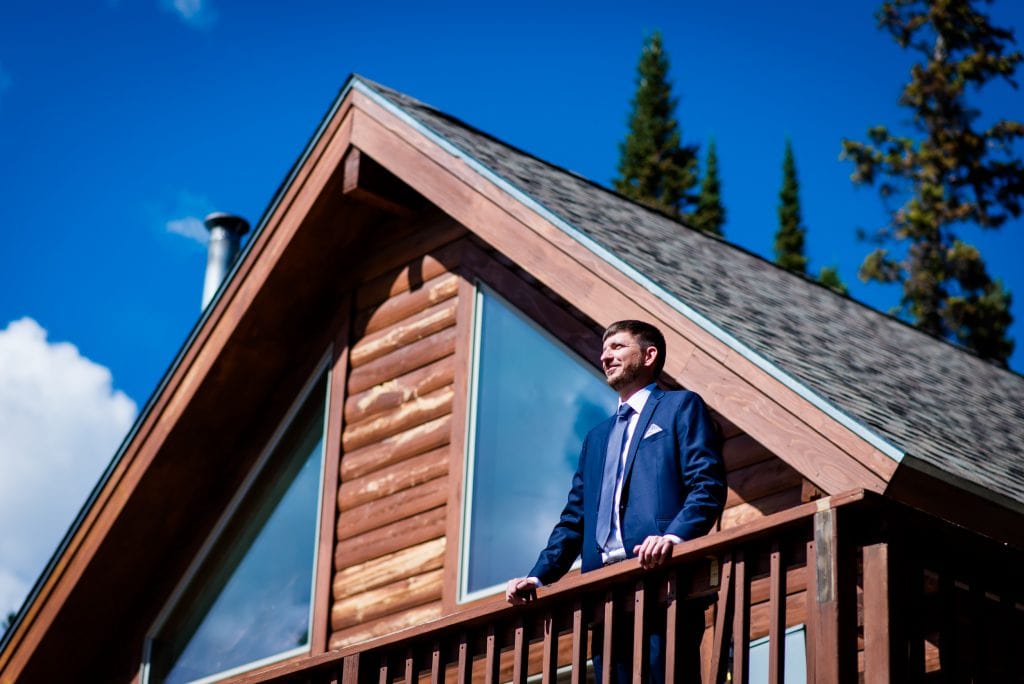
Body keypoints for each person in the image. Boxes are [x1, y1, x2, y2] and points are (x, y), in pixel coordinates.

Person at [505, 320, 726, 683]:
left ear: (649, 355)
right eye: (604, 349)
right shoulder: (596, 438)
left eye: (618, 347)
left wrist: (673, 537)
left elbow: (707, 485)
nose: (606, 356)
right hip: (604, 597)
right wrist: (537, 576)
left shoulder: (680, 407)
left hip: (664, 581)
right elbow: (574, 521)